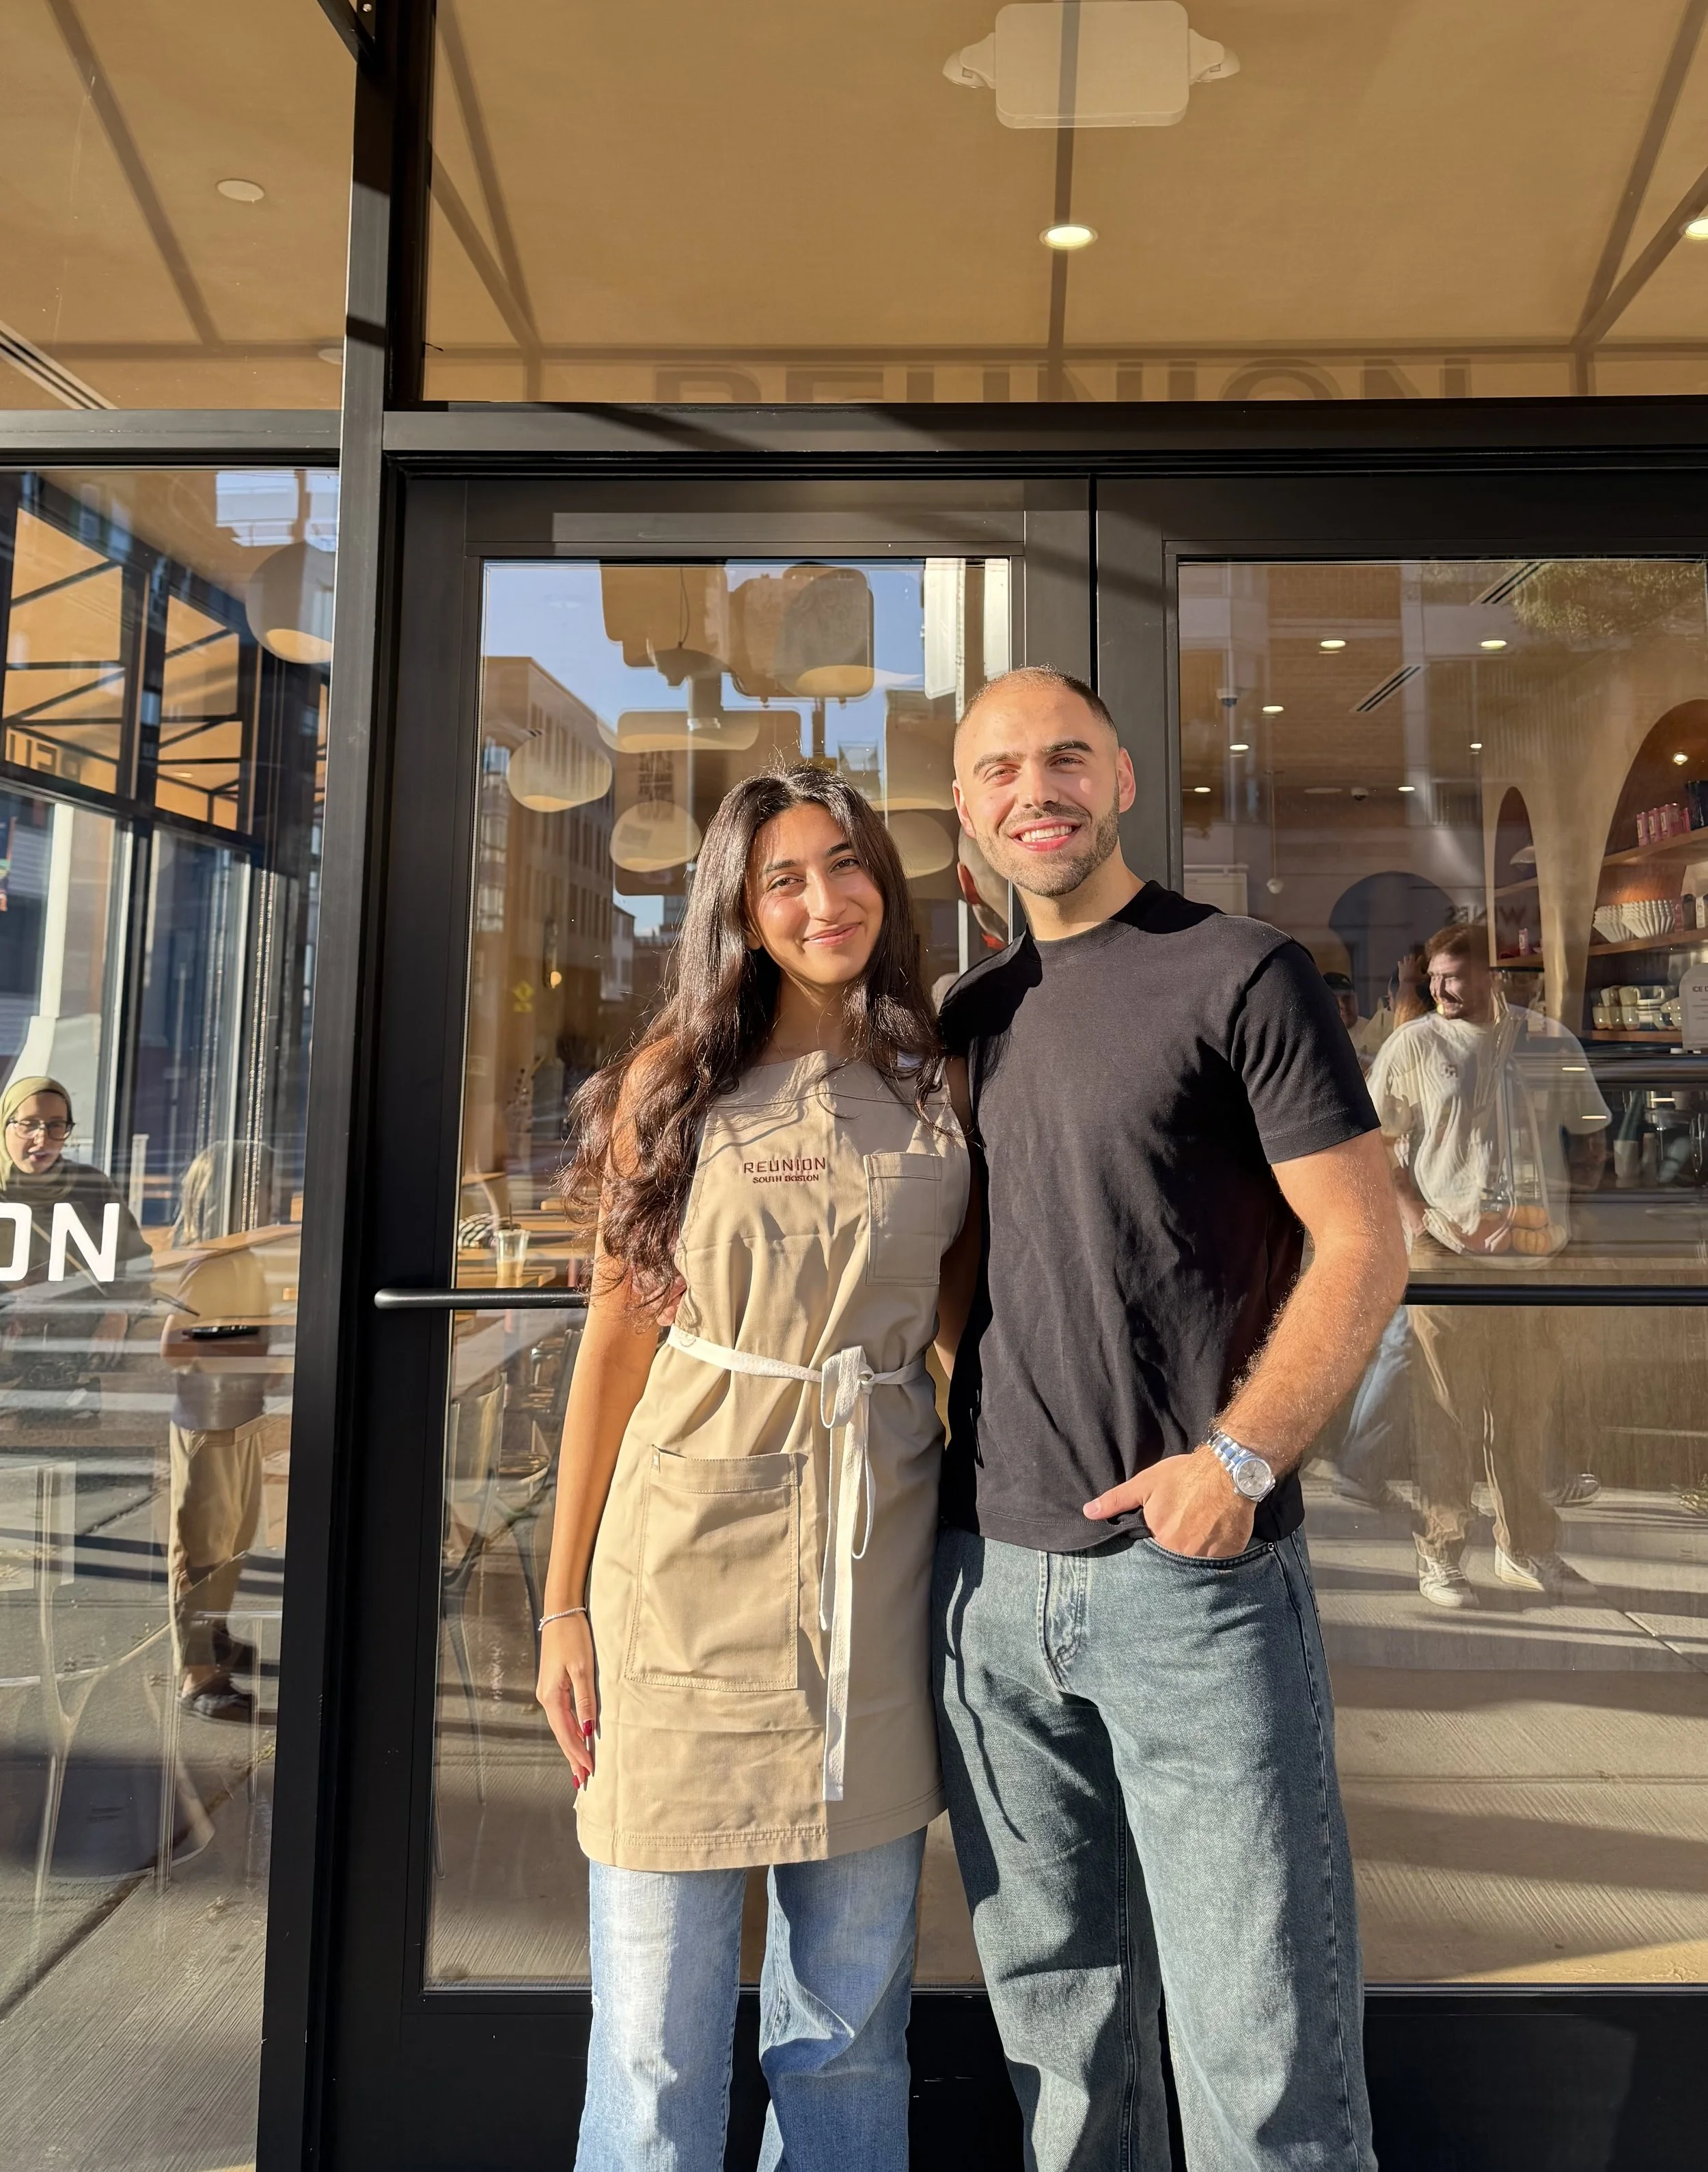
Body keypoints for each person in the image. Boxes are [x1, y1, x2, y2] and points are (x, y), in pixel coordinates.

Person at [935, 666, 1405, 2172]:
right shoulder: (966, 1016)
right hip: (989, 1592)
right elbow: (960, 1280)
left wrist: (1238, 1459)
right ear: (965, 809)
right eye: (999, 769)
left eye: (1064, 756)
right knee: (1059, 2043)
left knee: (1256, 2047)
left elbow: (1363, 1242)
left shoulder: (1240, 971)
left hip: (1192, 1589)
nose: (1035, 788)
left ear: (1122, 776)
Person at [536, 763, 978, 2172]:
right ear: (737, 904)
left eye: (844, 864)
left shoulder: (936, 1079)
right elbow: (609, 1353)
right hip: (680, 1569)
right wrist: (560, 1606)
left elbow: (962, 1334)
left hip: (873, 1566)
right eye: (782, 875)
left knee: (847, 2027)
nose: (822, 897)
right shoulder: (670, 1082)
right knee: (657, 2048)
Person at [1366, 923, 1610, 1608]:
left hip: (1536, 1256)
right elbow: (1376, 1146)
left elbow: (1591, 1136)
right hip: (1446, 1254)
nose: (1440, 989)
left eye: (1455, 976)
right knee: (1445, 1411)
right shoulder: (1412, 1045)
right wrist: (1420, 1222)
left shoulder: (1547, 1041)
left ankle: (1525, 1548)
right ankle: (1440, 1553)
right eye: (1433, 977)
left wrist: (1572, 1217)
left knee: (1526, 1411)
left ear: (1493, 976)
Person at [161, 1144, 281, 1721]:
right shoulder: (209, 1266)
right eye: (261, 1188)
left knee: (235, 1534)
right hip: (207, 1422)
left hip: (240, 1416)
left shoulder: (247, 1259)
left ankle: (217, 1635)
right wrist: (249, 1351)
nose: (272, 1198)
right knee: (203, 1546)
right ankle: (197, 1672)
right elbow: (173, 1344)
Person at [0, 1073, 151, 1427]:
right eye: (29, 1125)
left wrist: (117, 1313)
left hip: (77, 1359)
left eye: (56, 1126)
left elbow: (133, 1262)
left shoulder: (90, 1186)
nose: (42, 1139)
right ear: (6, 1124)